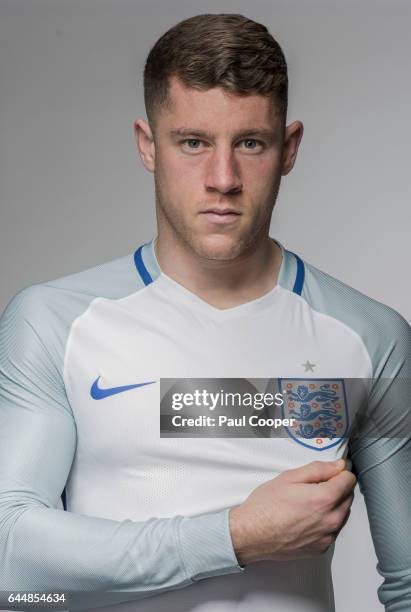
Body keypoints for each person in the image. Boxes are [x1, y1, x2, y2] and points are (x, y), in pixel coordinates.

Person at [0, 12, 409, 612]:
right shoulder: (55, 323)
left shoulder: (369, 337)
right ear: (148, 146)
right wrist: (236, 536)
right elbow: (10, 557)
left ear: (289, 148)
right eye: (193, 142)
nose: (223, 179)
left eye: (251, 143)